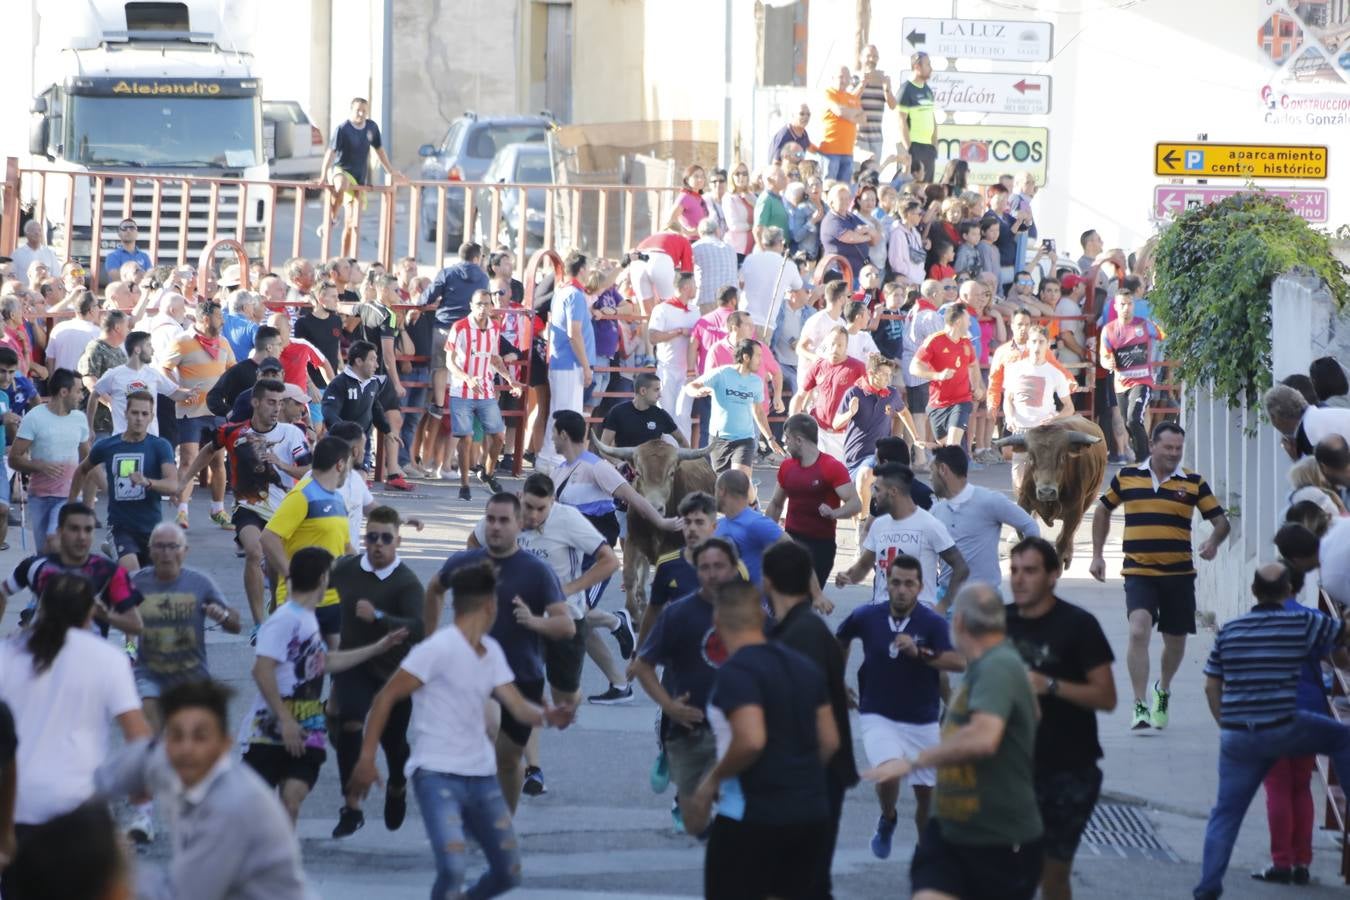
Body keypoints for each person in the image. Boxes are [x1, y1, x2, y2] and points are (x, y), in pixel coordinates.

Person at [349, 560, 573, 900]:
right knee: (453, 868)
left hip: (481, 776)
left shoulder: (491, 652)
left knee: (508, 871)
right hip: (436, 776)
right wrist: (366, 759)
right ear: (490, 606)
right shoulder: (436, 650)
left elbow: (516, 705)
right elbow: (385, 698)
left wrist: (548, 716)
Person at [865, 583, 1044, 900]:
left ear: (957, 622)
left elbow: (984, 737)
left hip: (995, 837)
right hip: (952, 830)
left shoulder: (998, 665)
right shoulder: (985, 666)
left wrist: (917, 760)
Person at [1192, 563, 1350, 900]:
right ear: (1288, 591)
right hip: (1284, 724)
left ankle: (1207, 887)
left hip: (1237, 734)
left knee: (1226, 812)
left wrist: (1228, 725)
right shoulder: (1303, 622)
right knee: (1342, 739)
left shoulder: (1231, 629)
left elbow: (1210, 687)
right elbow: (1342, 636)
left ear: (1253, 592)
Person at [94, 680, 317, 900]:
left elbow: (179, 893)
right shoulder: (165, 760)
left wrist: (114, 863)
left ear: (225, 744)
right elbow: (108, 778)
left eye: (200, 737)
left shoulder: (233, 807)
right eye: (177, 735)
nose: (187, 748)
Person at [467, 473, 619, 793]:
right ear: (520, 496)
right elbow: (474, 542)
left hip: (566, 618)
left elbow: (609, 561)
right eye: (529, 507)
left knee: (565, 696)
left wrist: (567, 589)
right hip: (521, 620)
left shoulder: (570, 521)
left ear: (553, 503)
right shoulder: (508, 517)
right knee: (528, 695)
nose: (532, 515)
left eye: (540, 509)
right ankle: (532, 770)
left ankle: (564, 699)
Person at [688, 580, 837, 900]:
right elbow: (829, 740)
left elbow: (751, 740)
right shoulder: (805, 667)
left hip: (750, 817)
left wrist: (711, 782)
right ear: (761, 617)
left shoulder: (736, 671)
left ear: (717, 623)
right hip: (810, 813)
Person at [424, 494, 573, 813]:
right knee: (482, 740)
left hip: (522, 675)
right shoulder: (464, 563)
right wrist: (430, 638)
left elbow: (566, 626)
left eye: (504, 520)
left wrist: (533, 622)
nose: (495, 526)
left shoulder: (537, 571)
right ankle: (478, 819)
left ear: (520, 524)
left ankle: (505, 820)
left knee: (508, 760)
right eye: (490, 519)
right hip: (471, 675)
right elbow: (435, 589)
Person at [242, 548, 407, 825]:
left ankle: (282, 863)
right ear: (323, 579)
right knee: (256, 813)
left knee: (291, 803)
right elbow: (261, 670)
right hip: (269, 729)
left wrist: (377, 648)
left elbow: (324, 662)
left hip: (307, 725)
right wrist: (285, 720)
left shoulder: (307, 618)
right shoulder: (284, 619)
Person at [0, 574, 151, 877]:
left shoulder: (7, 654)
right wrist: (141, 788)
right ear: (89, 613)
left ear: (41, 608)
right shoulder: (108, 658)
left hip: (16, 807)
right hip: (78, 807)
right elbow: (138, 736)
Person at [1089, 421, 1231, 731]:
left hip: (1179, 574)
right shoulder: (1127, 477)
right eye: (1167, 447)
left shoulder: (1193, 482)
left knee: (1176, 641)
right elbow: (1102, 510)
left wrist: (1213, 542)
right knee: (1138, 630)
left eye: (1178, 449)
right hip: (1139, 571)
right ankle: (1140, 705)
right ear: (1152, 445)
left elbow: (1222, 522)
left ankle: (1162, 689)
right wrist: (1098, 555)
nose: (1173, 454)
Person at [1005, 537, 1118, 900]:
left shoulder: (1078, 626)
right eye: (1015, 571)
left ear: (1053, 575)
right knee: (1009, 872)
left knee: (1050, 875)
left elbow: (1106, 697)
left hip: (1069, 771)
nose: (1020, 580)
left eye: (1031, 571)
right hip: (1012, 769)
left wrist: (1049, 685)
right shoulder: (999, 624)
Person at [838, 552, 965, 859]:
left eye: (909, 584)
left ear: (920, 587)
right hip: (877, 714)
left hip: (921, 719)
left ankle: (925, 858)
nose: (902, 589)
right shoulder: (867, 616)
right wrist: (837, 682)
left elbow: (958, 662)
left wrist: (920, 653)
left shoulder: (931, 622)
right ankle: (888, 816)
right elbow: (841, 637)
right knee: (888, 771)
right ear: (886, 582)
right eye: (896, 582)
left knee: (926, 796)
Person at [759, 541, 857, 895]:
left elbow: (810, 724)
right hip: (814, 779)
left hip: (811, 781)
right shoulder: (803, 630)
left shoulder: (799, 636)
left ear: (767, 581)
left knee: (803, 883)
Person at [178, 379, 312, 631]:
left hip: (284, 510)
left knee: (275, 570)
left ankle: (274, 611)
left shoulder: (292, 433)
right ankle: (259, 624)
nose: (276, 408)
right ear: (256, 402)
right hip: (248, 506)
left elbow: (309, 468)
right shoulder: (233, 431)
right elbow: (209, 449)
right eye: (271, 402)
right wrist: (184, 480)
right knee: (254, 551)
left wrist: (283, 466)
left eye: (280, 403)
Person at [632, 538, 745, 834]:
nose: (711, 574)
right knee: (694, 817)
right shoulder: (678, 614)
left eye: (718, 566)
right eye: (704, 567)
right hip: (688, 728)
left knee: (728, 800)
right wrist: (668, 705)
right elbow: (643, 666)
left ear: (734, 570)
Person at [328, 506, 426, 838]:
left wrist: (381, 616)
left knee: (394, 743)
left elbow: (419, 628)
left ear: (397, 540)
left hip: (393, 674)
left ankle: (397, 782)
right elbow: (317, 584)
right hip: (354, 663)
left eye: (386, 538)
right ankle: (351, 806)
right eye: (372, 537)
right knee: (350, 724)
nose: (378, 545)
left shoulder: (407, 582)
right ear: (364, 538)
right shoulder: (347, 569)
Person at [69, 391, 177, 572]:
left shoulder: (160, 446)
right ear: (125, 413)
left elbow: (173, 485)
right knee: (133, 573)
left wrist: (148, 482)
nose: (139, 419)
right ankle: (117, 551)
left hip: (152, 529)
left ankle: (115, 560)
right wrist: (70, 506)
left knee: (153, 584)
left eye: (144, 414)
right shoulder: (107, 446)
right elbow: (82, 470)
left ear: (151, 417)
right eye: (134, 413)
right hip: (120, 528)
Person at [261, 436, 353, 647]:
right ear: (340, 464)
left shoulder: (338, 499)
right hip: (301, 601)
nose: (349, 471)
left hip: (333, 599)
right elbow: (268, 537)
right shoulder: (302, 495)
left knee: (340, 672)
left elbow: (346, 547)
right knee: (302, 673)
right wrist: (289, 574)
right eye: (348, 465)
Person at [837, 462, 968, 610]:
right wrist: (848, 576)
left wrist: (943, 605)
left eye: (877, 489)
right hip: (882, 612)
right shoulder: (879, 525)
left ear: (893, 491)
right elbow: (863, 565)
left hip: (919, 616)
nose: (873, 495)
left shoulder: (930, 525)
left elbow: (961, 567)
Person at [0, 502, 142, 635]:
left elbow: (136, 625)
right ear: (60, 531)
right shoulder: (36, 566)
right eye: (74, 529)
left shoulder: (109, 572)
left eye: (88, 530)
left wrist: (105, 616)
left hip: (89, 658)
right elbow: (2, 592)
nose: (81, 537)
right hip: (44, 655)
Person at [765, 414, 862, 587]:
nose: (784, 443)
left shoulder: (830, 467)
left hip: (820, 546)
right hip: (790, 540)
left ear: (799, 440)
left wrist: (834, 513)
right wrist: (766, 536)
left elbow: (855, 504)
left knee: (806, 601)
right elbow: (775, 504)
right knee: (785, 597)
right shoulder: (787, 467)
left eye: (787, 438)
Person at [162, 299, 234, 530]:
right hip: (190, 412)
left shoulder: (223, 343)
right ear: (205, 318)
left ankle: (218, 510)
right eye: (218, 316)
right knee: (188, 459)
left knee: (218, 462)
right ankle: (182, 513)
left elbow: (232, 370)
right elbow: (164, 368)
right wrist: (179, 391)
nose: (222, 320)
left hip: (216, 412)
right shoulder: (183, 341)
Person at [930, 445, 1039, 593]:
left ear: (943, 470)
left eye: (932, 471)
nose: (930, 477)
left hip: (985, 601)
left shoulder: (989, 501)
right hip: (946, 598)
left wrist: (1028, 566)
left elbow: (1029, 526)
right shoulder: (935, 511)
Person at [9, 368, 89, 550]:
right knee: (44, 553)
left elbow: (88, 460)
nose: (81, 397)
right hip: (40, 497)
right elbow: (13, 459)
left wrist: (89, 497)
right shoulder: (35, 417)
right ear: (63, 392)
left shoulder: (79, 419)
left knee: (54, 541)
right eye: (78, 391)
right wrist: (38, 466)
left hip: (69, 497)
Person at [684, 339, 783, 484]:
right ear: (745, 357)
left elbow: (759, 412)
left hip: (745, 438)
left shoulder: (756, 382)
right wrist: (697, 392)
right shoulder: (721, 374)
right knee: (722, 484)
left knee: (740, 480)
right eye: (758, 356)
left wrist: (770, 439)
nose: (761, 361)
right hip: (719, 439)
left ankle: (751, 503)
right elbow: (691, 386)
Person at [316, 97, 404, 254]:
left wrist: (390, 171)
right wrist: (323, 175)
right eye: (358, 110)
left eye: (364, 111)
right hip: (341, 170)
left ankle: (344, 258)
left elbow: (379, 150)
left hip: (359, 176)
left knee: (352, 222)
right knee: (341, 184)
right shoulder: (343, 129)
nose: (361, 114)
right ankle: (332, 216)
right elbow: (331, 152)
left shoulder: (371, 128)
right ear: (351, 110)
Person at [91, 331, 190, 440]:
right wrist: (89, 426)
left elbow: (174, 393)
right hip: (122, 441)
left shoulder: (153, 374)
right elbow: (94, 394)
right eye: (148, 345)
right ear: (137, 349)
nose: (152, 351)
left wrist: (190, 393)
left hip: (149, 441)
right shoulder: (114, 374)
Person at [910, 302, 984, 447]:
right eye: (968, 320)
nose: (970, 324)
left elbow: (973, 365)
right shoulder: (934, 340)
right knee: (943, 445)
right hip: (938, 403)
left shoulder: (966, 342)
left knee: (952, 444)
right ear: (958, 322)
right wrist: (937, 376)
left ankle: (958, 467)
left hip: (962, 400)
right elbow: (914, 367)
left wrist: (976, 387)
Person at [1099, 292, 1157, 463]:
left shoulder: (1145, 325)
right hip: (1121, 384)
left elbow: (1164, 335)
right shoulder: (1108, 330)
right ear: (1116, 307)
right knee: (1128, 423)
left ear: (1134, 305)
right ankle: (1141, 455)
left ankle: (1144, 461)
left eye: (1129, 304)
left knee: (1134, 418)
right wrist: (1106, 363)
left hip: (1142, 381)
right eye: (1122, 304)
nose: (1126, 308)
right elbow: (1104, 356)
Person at [792, 326, 865, 462]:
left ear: (846, 347)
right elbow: (800, 395)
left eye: (839, 345)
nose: (835, 349)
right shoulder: (818, 365)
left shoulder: (858, 368)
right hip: (819, 432)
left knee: (842, 478)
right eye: (832, 344)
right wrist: (792, 422)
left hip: (845, 434)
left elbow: (870, 396)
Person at [648, 272, 701, 438]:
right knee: (666, 413)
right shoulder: (662, 309)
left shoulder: (695, 310)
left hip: (689, 372)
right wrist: (678, 332)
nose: (696, 288)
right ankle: (667, 454)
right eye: (694, 285)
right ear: (686, 287)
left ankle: (683, 456)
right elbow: (653, 337)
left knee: (683, 414)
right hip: (667, 369)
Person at [321, 340, 392, 464]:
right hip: (340, 441)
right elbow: (329, 411)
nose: (376, 365)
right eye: (372, 360)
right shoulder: (339, 383)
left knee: (360, 476)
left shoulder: (373, 383)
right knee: (336, 478)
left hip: (364, 441)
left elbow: (375, 407)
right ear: (359, 361)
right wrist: (344, 433)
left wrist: (387, 429)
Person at [712, 469, 782, 586]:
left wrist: (816, 595)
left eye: (715, 491)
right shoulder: (718, 524)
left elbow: (795, 556)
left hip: (752, 602)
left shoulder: (757, 523)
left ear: (722, 491)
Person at [599, 371, 686, 448]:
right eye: (656, 390)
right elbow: (603, 447)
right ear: (643, 391)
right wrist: (620, 464)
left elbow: (682, 441)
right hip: (624, 464)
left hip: (652, 466)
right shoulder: (617, 412)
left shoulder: (660, 414)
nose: (660, 395)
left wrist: (684, 464)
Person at [897, 52, 939, 180]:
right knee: (914, 188)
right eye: (927, 64)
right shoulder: (906, 89)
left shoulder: (927, 90)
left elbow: (932, 119)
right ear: (917, 67)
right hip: (914, 146)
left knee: (927, 189)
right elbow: (901, 121)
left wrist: (935, 145)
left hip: (928, 148)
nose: (931, 68)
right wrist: (909, 149)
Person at [819, 65, 864, 182]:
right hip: (830, 151)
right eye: (840, 77)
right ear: (833, 78)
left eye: (846, 78)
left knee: (844, 189)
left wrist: (847, 114)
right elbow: (839, 111)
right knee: (828, 186)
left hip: (848, 151)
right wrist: (853, 113)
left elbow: (863, 118)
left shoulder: (852, 98)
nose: (843, 80)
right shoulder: (829, 93)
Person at [692, 216, 738, 311]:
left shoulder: (696, 247)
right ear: (717, 231)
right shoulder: (730, 249)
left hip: (706, 298)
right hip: (731, 299)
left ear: (700, 233)